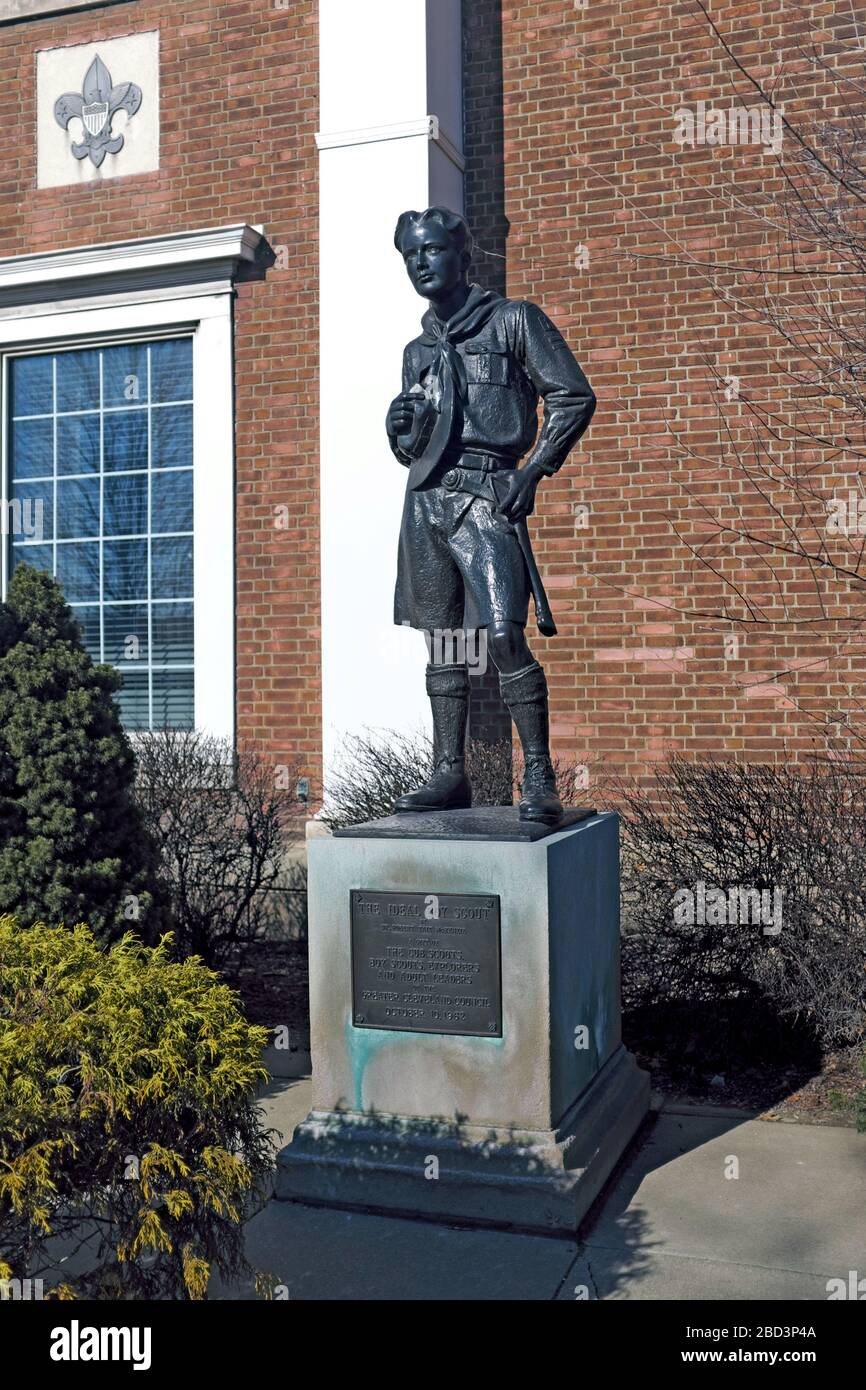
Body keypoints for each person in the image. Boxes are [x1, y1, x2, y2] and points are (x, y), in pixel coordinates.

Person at [386, 206, 596, 824]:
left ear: (460, 253)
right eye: (410, 256)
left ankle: (538, 774)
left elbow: (573, 395)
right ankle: (448, 771)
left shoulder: (512, 321)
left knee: (503, 633)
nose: (421, 263)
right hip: (427, 501)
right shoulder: (416, 351)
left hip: (487, 494)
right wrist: (400, 430)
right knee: (443, 641)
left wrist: (533, 469)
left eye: (430, 250)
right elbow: (415, 443)